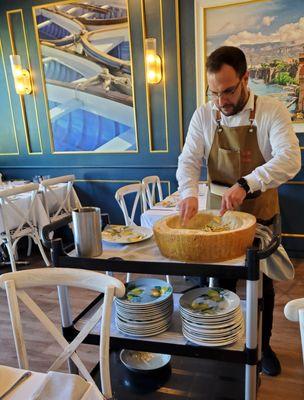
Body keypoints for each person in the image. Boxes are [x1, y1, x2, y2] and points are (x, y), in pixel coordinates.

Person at [176, 46, 301, 376]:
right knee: (219, 285)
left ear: (246, 78)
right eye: (214, 92)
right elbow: (189, 160)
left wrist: (246, 183)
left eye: (228, 90)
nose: (221, 101)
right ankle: (222, 343)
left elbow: (290, 159)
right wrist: (189, 192)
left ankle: (264, 346)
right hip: (220, 218)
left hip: (261, 214)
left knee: (263, 287)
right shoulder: (204, 115)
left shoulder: (271, 110)